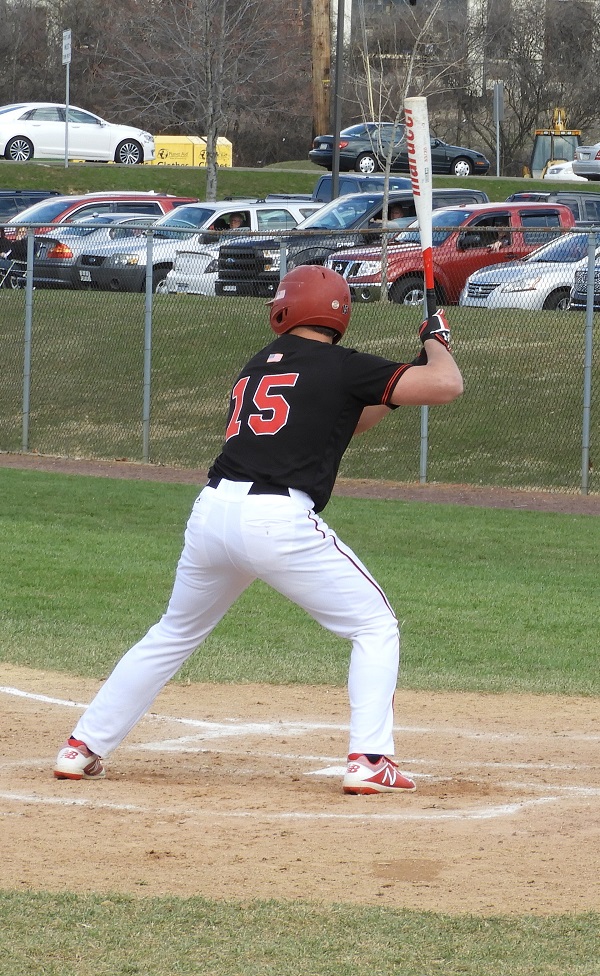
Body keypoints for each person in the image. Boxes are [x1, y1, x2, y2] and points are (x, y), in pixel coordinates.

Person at [53, 266, 463, 795]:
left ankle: (82, 747)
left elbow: (353, 416)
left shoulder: (258, 366)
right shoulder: (341, 365)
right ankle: (369, 760)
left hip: (212, 514)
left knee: (173, 633)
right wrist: (436, 343)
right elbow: (446, 385)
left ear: (287, 309)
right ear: (340, 315)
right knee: (374, 627)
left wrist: (406, 372)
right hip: (276, 520)